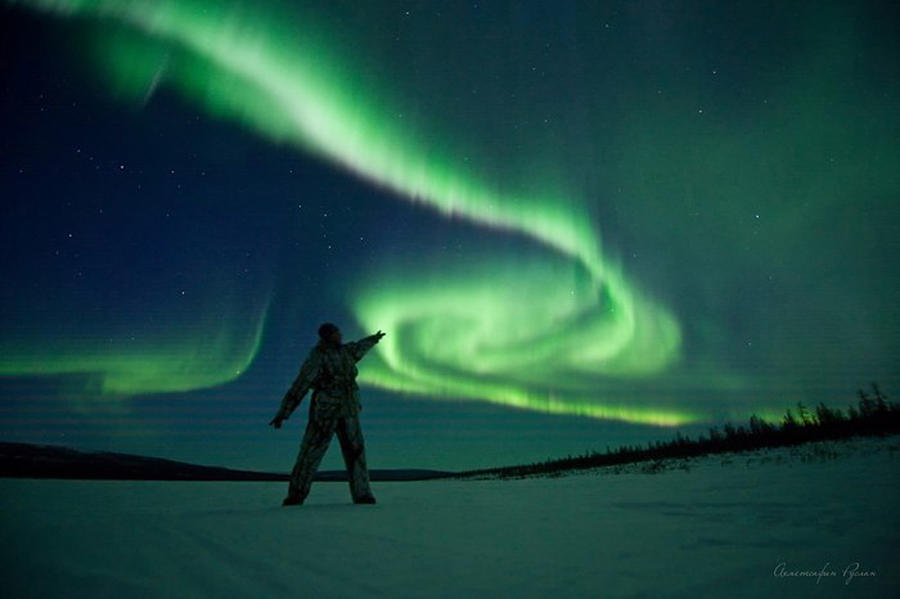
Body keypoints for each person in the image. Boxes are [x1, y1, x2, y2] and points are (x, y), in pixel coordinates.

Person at [270, 323, 385, 506]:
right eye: (336, 333)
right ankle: (296, 495)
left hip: (349, 410)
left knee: (356, 452)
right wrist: (284, 412)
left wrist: (373, 339)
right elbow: (301, 384)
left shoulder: (345, 352)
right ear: (328, 336)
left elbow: (358, 347)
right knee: (311, 453)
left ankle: (362, 494)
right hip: (325, 412)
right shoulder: (318, 356)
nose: (340, 334)